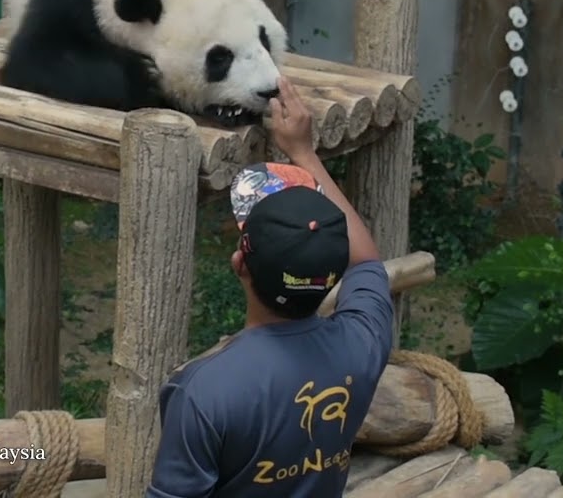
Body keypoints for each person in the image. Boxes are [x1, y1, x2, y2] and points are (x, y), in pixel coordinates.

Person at [145, 76, 395, 498]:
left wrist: (300, 152)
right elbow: (367, 260)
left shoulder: (202, 392)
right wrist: (304, 153)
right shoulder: (363, 343)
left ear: (239, 261)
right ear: (332, 275)